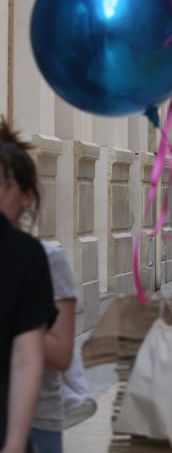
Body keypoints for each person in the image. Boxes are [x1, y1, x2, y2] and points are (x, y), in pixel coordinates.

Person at [0, 124, 70, 453]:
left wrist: (19, 322)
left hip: (37, 418)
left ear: (26, 196)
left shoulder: (43, 258)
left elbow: (62, 353)